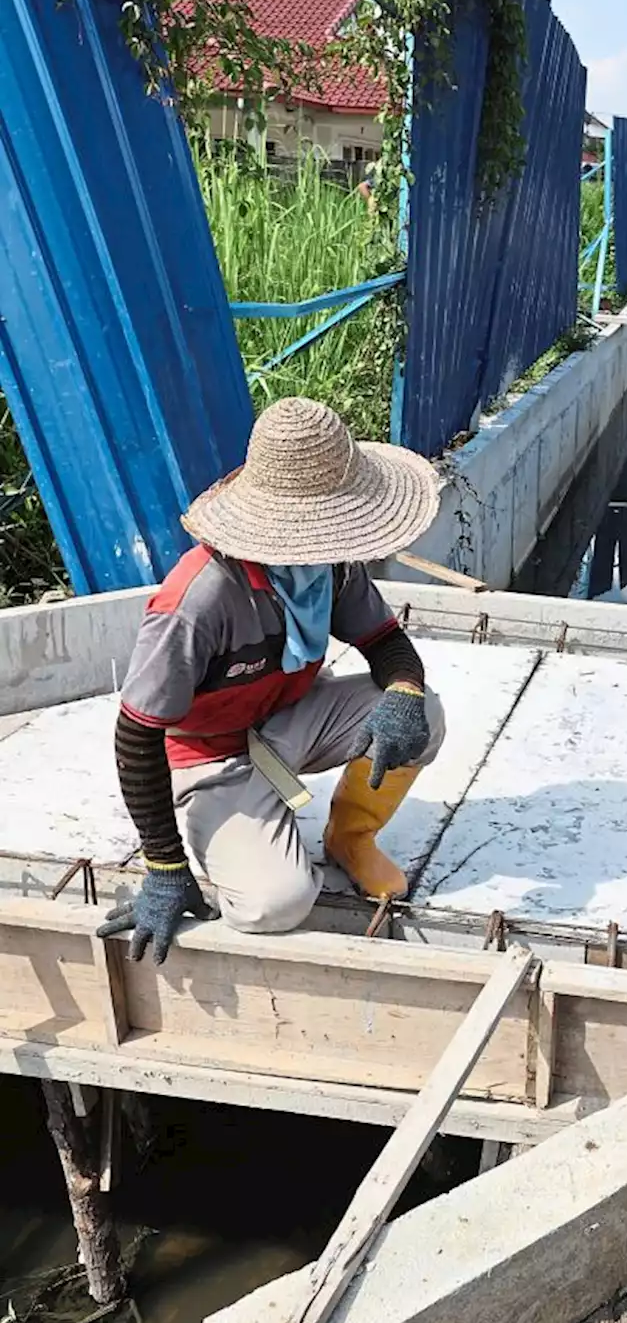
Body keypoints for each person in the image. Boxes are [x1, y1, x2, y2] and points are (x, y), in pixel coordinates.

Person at [100, 397, 446, 964]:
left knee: (423, 715)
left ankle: (350, 836)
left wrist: (404, 693)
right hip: (209, 757)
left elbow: (386, 643)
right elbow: (135, 736)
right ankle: (227, 827)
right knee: (274, 905)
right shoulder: (198, 604)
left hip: (282, 721)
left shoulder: (329, 565)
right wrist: (163, 865)